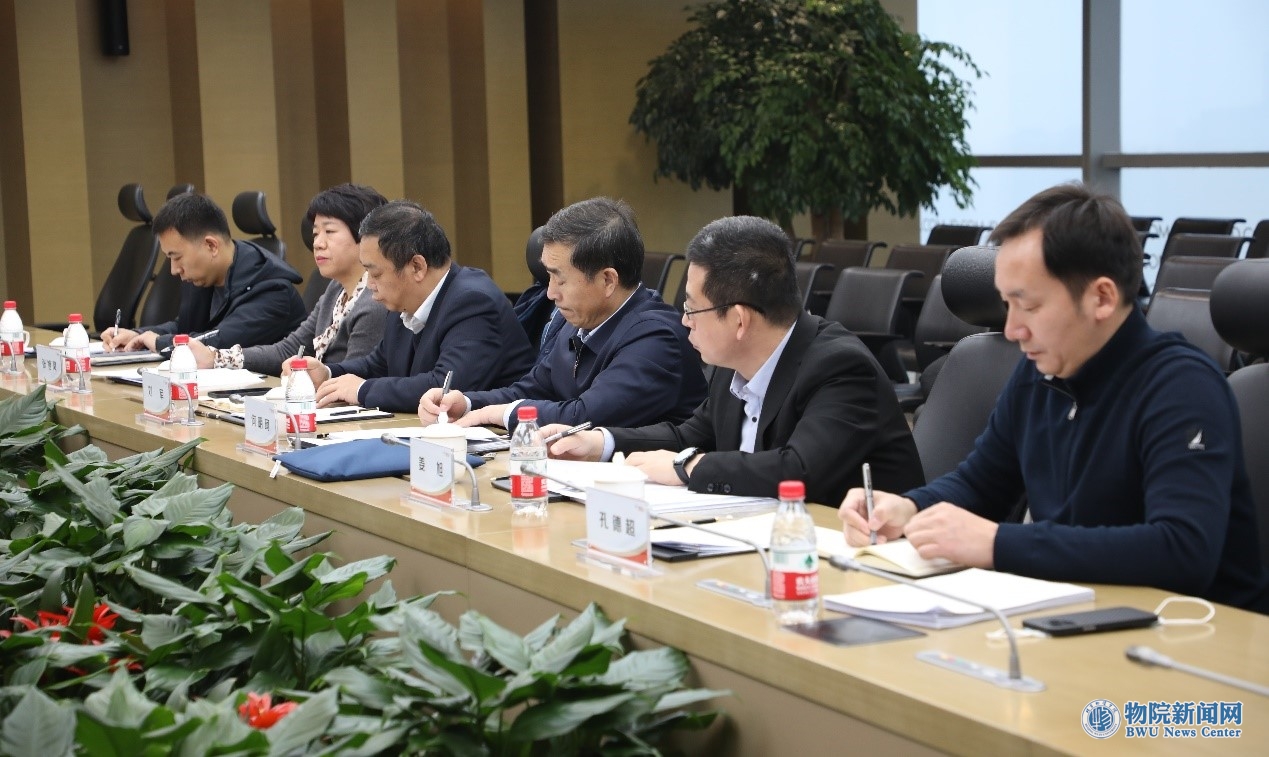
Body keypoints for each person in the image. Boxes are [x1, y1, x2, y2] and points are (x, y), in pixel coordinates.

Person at [840, 183, 1269, 613]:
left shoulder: (1182, 386)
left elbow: (1182, 549)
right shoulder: (1039, 373)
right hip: (1083, 613)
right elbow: (980, 484)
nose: (1012, 330)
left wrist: (997, 543)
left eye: (1028, 306)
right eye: (1006, 305)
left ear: (1102, 298)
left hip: (1200, 631)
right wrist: (909, 507)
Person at [547, 215, 923, 507]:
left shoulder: (839, 367)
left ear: (739, 321)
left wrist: (687, 467)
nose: (684, 321)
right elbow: (688, 436)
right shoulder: (730, 365)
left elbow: (798, 469)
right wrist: (600, 442)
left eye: (692, 308)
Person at [418, 197, 706, 430]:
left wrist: (498, 414)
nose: (550, 293)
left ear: (607, 280)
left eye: (560, 278)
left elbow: (585, 416)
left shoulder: (657, 338)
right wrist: (466, 403)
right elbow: (531, 389)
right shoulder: (577, 322)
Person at [288, 200, 534, 412]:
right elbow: (378, 365)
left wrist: (362, 390)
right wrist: (328, 373)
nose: (370, 285)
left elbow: (445, 386)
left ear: (417, 267)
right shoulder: (404, 301)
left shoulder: (473, 302)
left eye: (375, 274)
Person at [184, 183, 390, 375]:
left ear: (364, 235)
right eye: (315, 233)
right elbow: (289, 349)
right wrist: (216, 358)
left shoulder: (373, 303)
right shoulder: (336, 290)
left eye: (329, 231)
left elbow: (354, 379)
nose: (318, 243)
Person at [103, 193, 306, 354]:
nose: (174, 270)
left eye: (177, 257)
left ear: (211, 246)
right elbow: (184, 328)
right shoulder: (204, 278)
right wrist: (138, 336)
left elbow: (219, 341)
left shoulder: (271, 289)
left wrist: (157, 342)